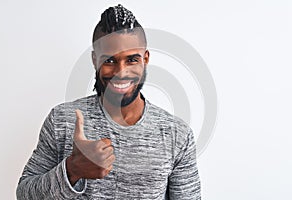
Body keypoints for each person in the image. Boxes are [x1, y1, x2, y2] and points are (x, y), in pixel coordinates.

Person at [16, 4, 201, 199]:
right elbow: (24, 194)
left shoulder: (178, 134)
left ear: (145, 59)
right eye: (109, 61)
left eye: (131, 60)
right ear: (95, 60)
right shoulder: (62, 120)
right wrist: (72, 170)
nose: (120, 72)